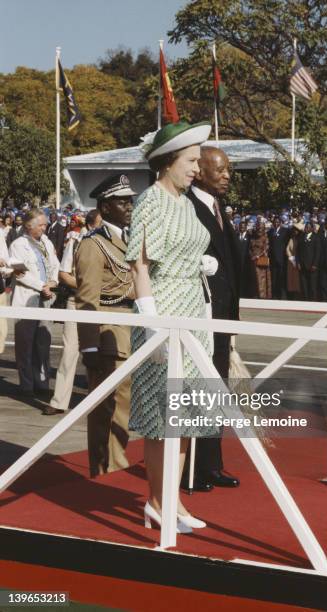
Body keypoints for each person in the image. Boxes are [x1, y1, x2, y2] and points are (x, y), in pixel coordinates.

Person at [126, 120, 217, 530]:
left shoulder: (185, 202)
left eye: (197, 161)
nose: (197, 168)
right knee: (161, 417)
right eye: (191, 160)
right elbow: (140, 265)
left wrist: (200, 263)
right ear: (167, 162)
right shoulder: (151, 200)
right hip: (163, 313)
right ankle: (158, 504)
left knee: (186, 416)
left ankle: (172, 502)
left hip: (193, 312)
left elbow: (184, 247)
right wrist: (151, 324)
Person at [184, 145, 241, 492]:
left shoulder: (218, 208)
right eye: (219, 170)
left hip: (221, 317)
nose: (226, 176)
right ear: (200, 171)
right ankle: (190, 468)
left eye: (228, 170)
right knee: (194, 393)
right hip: (198, 314)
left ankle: (210, 464)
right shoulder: (187, 207)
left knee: (216, 391)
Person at [75, 175, 135, 477]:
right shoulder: (93, 245)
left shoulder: (127, 239)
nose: (129, 206)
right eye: (122, 201)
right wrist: (89, 345)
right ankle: (104, 470)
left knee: (123, 410)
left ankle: (115, 466)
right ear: (105, 206)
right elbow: (87, 300)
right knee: (107, 411)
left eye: (130, 200)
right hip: (108, 334)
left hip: (131, 332)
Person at [43, 210, 102, 416]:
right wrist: (86, 286)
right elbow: (63, 273)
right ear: (93, 223)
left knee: (99, 352)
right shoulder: (76, 242)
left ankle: (97, 399)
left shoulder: (109, 243)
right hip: (77, 301)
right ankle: (59, 400)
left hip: (101, 304)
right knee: (70, 352)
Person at [9, 209, 59, 394]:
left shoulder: (45, 241)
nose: (45, 227)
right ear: (29, 226)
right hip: (27, 298)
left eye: (45, 224)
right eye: (41, 225)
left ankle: (42, 382)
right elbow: (20, 273)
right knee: (25, 342)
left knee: (43, 341)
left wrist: (53, 282)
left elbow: (55, 264)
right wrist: (41, 285)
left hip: (46, 297)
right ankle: (27, 384)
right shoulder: (18, 245)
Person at [297, 221, 320, 301]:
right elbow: (297, 252)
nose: (306, 228)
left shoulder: (316, 237)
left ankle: (313, 300)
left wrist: (315, 264)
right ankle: (305, 300)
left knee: (312, 285)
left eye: (308, 227)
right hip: (302, 265)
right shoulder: (301, 237)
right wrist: (298, 263)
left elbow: (317, 252)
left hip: (312, 265)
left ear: (312, 228)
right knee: (304, 284)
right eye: (305, 227)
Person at [249, 221, 272, 299]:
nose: (259, 229)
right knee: (253, 278)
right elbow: (249, 248)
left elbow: (266, 248)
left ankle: (262, 295)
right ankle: (255, 294)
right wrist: (252, 255)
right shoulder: (252, 237)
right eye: (258, 227)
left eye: (261, 228)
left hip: (261, 260)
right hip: (253, 260)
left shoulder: (265, 237)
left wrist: (258, 256)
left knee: (261, 279)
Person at [268, 217, 289, 299]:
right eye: (274, 222)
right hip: (273, 259)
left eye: (277, 222)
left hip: (282, 259)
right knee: (274, 278)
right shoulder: (270, 232)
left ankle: (282, 296)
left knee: (282, 278)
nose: (276, 223)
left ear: (280, 222)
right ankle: (274, 295)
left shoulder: (285, 231)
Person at [286, 223, 303, 299]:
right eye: (294, 230)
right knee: (292, 279)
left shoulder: (302, 239)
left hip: (300, 262)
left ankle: (299, 295)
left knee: (298, 280)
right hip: (292, 261)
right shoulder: (291, 239)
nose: (295, 231)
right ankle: (292, 294)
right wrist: (291, 257)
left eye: (297, 230)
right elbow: (287, 249)